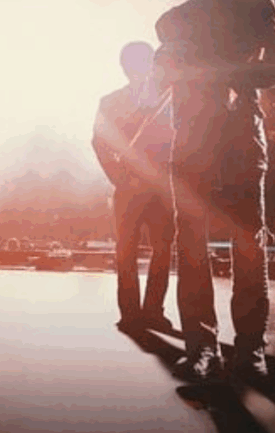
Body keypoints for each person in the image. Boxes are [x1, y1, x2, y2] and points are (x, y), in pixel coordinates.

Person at [155, 0, 275, 380]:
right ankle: (203, 347)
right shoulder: (169, 21)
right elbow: (168, 75)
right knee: (193, 245)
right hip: (192, 141)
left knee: (246, 245)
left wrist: (232, 77)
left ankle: (249, 348)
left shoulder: (252, 4)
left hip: (239, 138)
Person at [92, 42, 174, 334]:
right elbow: (99, 142)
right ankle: (137, 313)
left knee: (154, 249)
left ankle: (147, 312)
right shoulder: (165, 99)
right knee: (134, 250)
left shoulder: (167, 99)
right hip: (136, 185)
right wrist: (119, 178)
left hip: (155, 186)